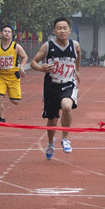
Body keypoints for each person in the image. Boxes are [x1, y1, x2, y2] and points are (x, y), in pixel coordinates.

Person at [30, 17, 81, 159]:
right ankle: (50, 143)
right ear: (54, 31)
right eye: (59, 28)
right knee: (52, 120)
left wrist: (77, 70)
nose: (62, 31)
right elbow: (33, 62)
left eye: (65, 28)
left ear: (69, 30)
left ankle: (65, 138)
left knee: (66, 107)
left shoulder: (74, 45)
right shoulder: (47, 46)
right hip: (51, 85)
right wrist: (41, 68)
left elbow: (78, 55)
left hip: (68, 83)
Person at [0, 25, 29, 123]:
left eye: (9, 32)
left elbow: (25, 57)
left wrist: (21, 67)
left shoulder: (16, 46)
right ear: (1, 34)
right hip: (1, 76)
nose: (6, 33)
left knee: (16, 101)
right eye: (5, 31)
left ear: (11, 35)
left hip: (13, 76)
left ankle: (9, 91)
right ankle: (1, 118)